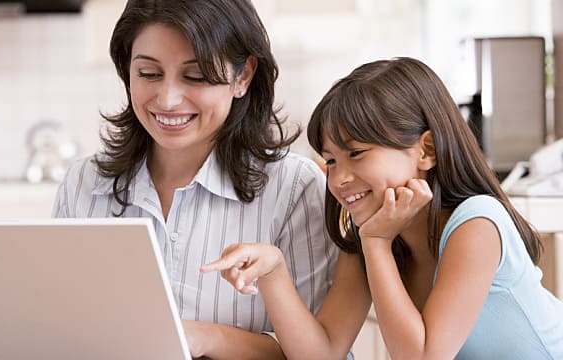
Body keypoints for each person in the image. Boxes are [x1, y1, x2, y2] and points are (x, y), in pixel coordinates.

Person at [201, 57, 563, 359]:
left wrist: (376, 243)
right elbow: (324, 351)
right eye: (330, 161)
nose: (339, 178)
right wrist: (274, 272)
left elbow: (422, 358)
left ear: (426, 151)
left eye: (356, 154)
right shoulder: (373, 232)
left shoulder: (476, 223)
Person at [52, 0, 337, 359]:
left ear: (243, 77)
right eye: (149, 74)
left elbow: (315, 353)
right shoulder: (83, 184)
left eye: (196, 76)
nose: (168, 100)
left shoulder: (295, 189)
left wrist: (204, 338)